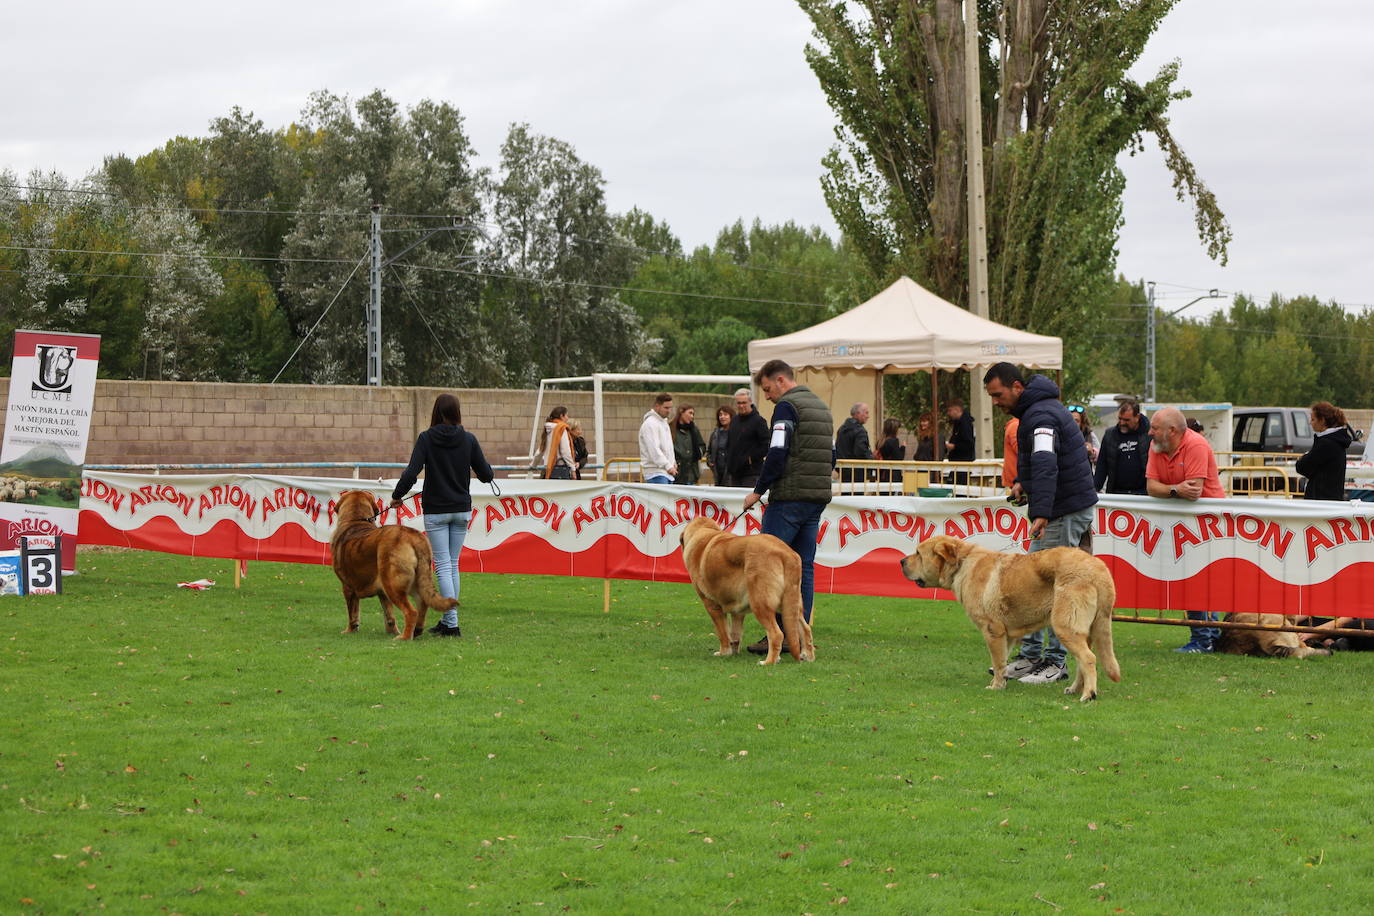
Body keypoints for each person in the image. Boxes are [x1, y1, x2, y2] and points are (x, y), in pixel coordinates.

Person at [983, 362, 1098, 685]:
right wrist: (1023, 483)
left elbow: (1047, 465)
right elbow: (1039, 462)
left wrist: (1042, 513)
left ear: (1017, 387)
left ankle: (1055, 661)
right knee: (1033, 585)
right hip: (1062, 506)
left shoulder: (1041, 416)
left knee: (1050, 590)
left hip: (1062, 511)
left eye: (998, 394)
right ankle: (1032, 656)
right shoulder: (1037, 411)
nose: (996, 401)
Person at [742, 360, 834, 654]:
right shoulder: (821, 407)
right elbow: (831, 456)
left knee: (769, 566)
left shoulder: (786, 407)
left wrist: (758, 491)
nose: (767, 397)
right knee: (803, 567)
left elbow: (777, 453)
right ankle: (800, 636)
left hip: (789, 498)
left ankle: (776, 636)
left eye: (767, 389)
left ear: (780, 380)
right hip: (816, 498)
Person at [390, 393, 494, 637]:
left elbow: (411, 473)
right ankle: (449, 621)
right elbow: (486, 474)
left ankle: (452, 622)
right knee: (453, 564)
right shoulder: (468, 439)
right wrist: (485, 473)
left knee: (444, 566)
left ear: (436, 412)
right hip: (461, 510)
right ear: (457, 412)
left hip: (436, 510)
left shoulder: (426, 438)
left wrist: (397, 496)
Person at [1145, 406, 1225, 653]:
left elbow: (1193, 491)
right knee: (1190, 578)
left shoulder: (1196, 445)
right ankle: (1208, 635)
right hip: (1181, 522)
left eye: (1155, 428)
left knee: (1197, 579)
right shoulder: (1157, 446)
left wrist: (1171, 489)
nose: (1150, 433)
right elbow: (1151, 487)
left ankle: (1204, 638)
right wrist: (1174, 489)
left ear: (1172, 431)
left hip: (1208, 523)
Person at [1295, 401, 1353, 501]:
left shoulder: (1327, 444)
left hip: (1321, 502)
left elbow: (1302, 467)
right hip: (1331, 500)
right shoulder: (1336, 441)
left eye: (1313, 419)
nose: (1310, 422)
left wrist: (1304, 457)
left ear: (1322, 421)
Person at [1094, 399, 1151, 495]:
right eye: (1120, 419)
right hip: (1117, 493)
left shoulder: (1149, 434)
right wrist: (1094, 489)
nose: (1122, 423)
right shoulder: (1110, 435)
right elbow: (1102, 466)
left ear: (1137, 417)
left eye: (1126, 420)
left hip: (1143, 493)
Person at [726, 386, 770, 488]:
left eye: (744, 402)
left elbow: (766, 445)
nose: (741, 406)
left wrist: (750, 459)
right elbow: (730, 443)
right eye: (739, 403)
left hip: (751, 474)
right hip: (734, 474)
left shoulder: (759, 421)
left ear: (750, 402)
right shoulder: (734, 421)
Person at [638, 393, 677, 484]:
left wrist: (673, 462)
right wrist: (668, 466)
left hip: (666, 472)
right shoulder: (650, 424)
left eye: (670, 408)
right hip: (655, 473)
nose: (669, 411)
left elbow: (668, 447)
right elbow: (654, 449)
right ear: (657, 406)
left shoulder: (663, 422)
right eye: (666, 408)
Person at [835, 402, 873, 489]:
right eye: (866, 412)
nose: (868, 416)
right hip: (857, 471)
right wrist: (871, 460)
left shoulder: (842, 429)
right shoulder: (860, 431)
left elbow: (838, 449)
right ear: (858, 413)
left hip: (844, 470)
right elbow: (861, 451)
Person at [671, 404, 707, 486]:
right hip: (677, 472)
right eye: (690, 413)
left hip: (691, 473)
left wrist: (696, 453)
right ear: (681, 413)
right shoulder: (670, 428)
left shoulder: (694, 429)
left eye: (693, 414)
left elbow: (702, 445)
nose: (692, 416)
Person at [537, 406, 575, 480]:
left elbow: (541, 449)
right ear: (562, 416)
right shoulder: (561, 429)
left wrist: (533, 465)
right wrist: (573, 469)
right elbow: (565, 451)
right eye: (567, 415)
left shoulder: (547, 429)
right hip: (560, 468)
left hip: (548, 468)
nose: (567, 418)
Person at [706, 406, 734, 487]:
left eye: (725, 414)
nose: (722, 417)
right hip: (717, 472)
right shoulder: (715, 433)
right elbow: (709, 451)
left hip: (730, 473)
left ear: (731, 416)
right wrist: (709, 460)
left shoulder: (736, 432)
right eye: (720, 415)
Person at [877, 418, 905, 491]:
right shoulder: (893, 441)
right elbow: (899, 458)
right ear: (894, 429)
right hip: (893, 475)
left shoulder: (880, 441)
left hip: (882, 473)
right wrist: (903, 447)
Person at [1001, 417, 1019, 490]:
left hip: (1017, 481)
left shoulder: (1015, 425)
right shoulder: (1016, 426)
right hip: (1018, 482)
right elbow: (1021, 450)